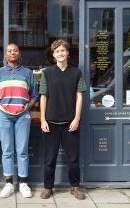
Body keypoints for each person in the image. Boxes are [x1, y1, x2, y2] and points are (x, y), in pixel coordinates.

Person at [0, 43, 38, 198]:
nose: (12, 53)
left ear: (19, 53)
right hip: (4, 117)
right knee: (7, 151)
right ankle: (9, 183)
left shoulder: (28, 73)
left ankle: (23, 183)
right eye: (9, 51)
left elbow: (34, 96)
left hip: (22, 116)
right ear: (5, 54)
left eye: (15, 50)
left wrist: (27, 108)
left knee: (22, 151)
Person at [39, 39, 86, 200]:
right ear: (53, 55)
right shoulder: (47, 73)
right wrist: (43, 119)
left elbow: (79, 97)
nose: (60, 53)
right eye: (57, 51)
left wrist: (77, 118)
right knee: (49, 158)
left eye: (63, 50)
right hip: (51, 122)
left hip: (70, 122)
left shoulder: (76, 73)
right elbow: (43, 97)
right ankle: (48, 187)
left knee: (73, 158)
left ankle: (75, 187)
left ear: (67, 53)